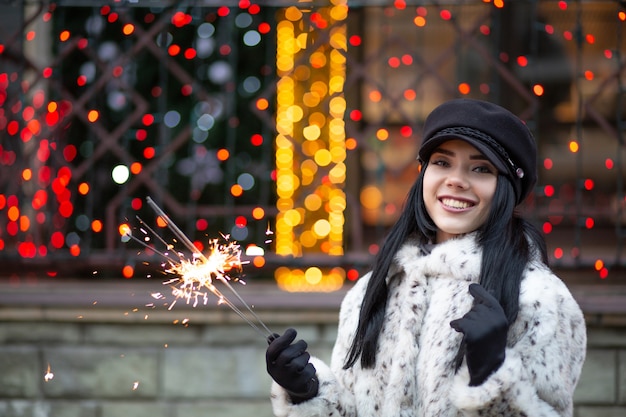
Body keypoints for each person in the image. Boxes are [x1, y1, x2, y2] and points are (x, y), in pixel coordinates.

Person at [265, 98, 587, 417]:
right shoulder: (373, 290)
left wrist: (492, 374)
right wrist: (306, 393)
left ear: (506, 188)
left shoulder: (540, 299)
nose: (456, 180)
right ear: (424, 173)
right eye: (442, 163)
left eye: (481, 168)